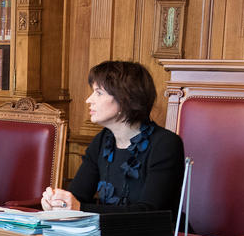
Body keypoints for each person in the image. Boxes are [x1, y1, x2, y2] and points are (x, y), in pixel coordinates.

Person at [42, 60, 184, 214]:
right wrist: (58, 203)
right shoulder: (102, 141)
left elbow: (149, 212)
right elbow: (78, 196)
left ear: (125, 99)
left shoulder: (165, 144)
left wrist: (79, 208)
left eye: (99, 93)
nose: (88, 100)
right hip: (107, 235)